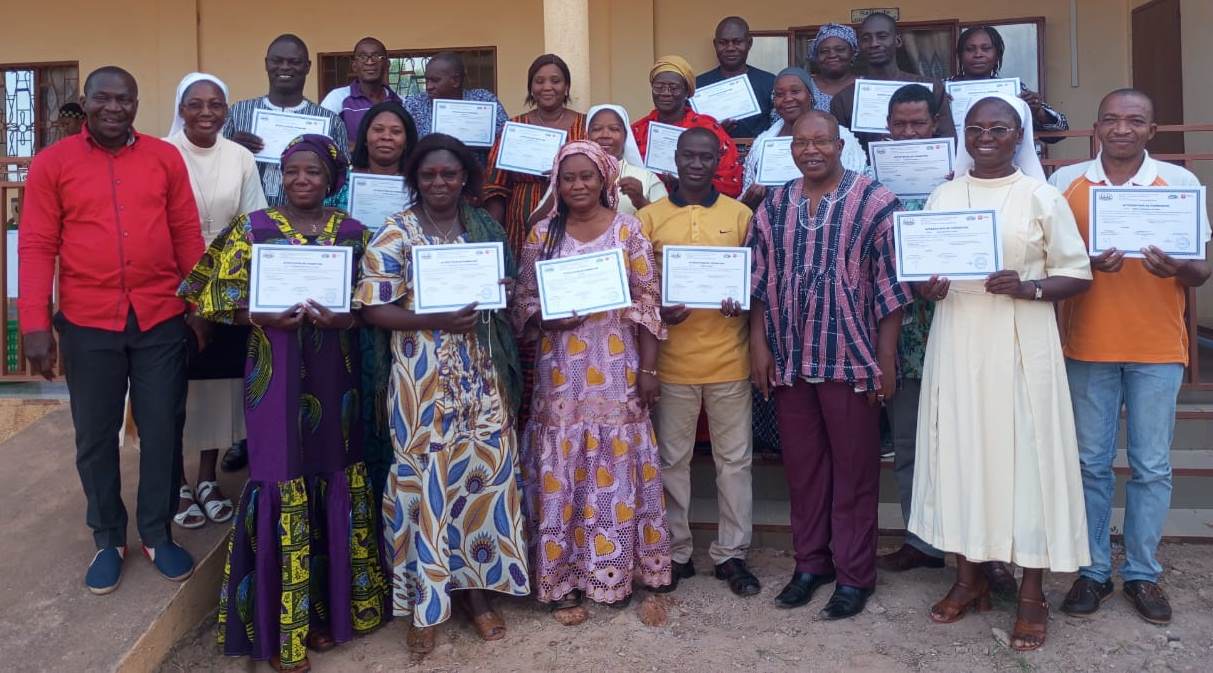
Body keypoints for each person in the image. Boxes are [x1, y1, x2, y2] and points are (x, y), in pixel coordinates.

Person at [181, 134, 387, 671]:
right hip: (274, 372)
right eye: (292, 171)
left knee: (331, 470)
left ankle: (326, 614)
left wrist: (348, 317)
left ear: (332, 180)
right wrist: (261, 315)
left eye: (313, 172)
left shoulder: (355, 233)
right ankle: (280, 625)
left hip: (335, 375)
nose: (301, 180)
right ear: (281, 177)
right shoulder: (254, 228)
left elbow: (372, 302)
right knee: (280, 475)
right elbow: (211, 295)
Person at [908, 94, 1093, 651]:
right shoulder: (944, 194)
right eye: (975, 127)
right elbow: (921, 270)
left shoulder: (1040, 195)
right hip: (960, 336)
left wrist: (1029, 286)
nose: (985, 136)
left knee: (1026, 461)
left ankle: (1032, 594)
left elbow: (1077, 275)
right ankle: (968, 579)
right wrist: (928, 285)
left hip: (1020, 342)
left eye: (999, 127)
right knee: (961, 452)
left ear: (1020, 135)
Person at [19, 66, 204, 594]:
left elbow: (186, 231)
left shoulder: (164, 158)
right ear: (86, 101)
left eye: (125, 99)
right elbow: (35, 245)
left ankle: (155, 532)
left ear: (137, 103)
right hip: (86, 320)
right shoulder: (53, 163)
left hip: (160, 315)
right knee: (96, 435)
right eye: (103, 98)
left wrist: (198, 305)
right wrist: (34, 322)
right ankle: (107, 536)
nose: (114, 108)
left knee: (163, 429)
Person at [355, 133, 530, 658]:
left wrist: (497, 285)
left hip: (481, 376)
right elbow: (371, 309)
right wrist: (434, 319)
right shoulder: (395, 232)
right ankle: (424, 605)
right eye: (429, 175)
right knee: (425, 485)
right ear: (415, 178)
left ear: (465, 179)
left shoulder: (484, 229)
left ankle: (476, 596)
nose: (439, 183)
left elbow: (506, 294)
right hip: (420, 381)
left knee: (481, 482)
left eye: (449, 174)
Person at [1052, 89, 1211, 626]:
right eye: (1112, 120)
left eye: (1134, 121)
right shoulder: (1065, 183)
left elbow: (1200, 269)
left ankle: (1142, 572)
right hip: (1088, 344)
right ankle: (1094, 570)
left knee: (1151, 467)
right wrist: (1086, 264)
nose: (1122, 129)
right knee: (1090, 465)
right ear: (1096, 127)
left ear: (1152, 129)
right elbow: (1053, 261)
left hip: (1157, 347)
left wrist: (1177, 270)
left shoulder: (1181, 183)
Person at [748, 111, 910, 620]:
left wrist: (885, 358)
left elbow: (892, 285)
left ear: (841, 145)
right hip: (791, 360)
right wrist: (759, 346)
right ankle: (810, 564)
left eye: (821, 140)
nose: (811, 149)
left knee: (855, 471)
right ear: (789, 149)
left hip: (852, 359)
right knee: (804, 471)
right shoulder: (773, 206)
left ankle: (854, 574)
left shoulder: (875, 202)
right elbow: (756, 282)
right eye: (801, 142)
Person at [512, 140, 671, 625]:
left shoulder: (628, 230)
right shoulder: (543, 234)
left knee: (613, 472)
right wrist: (544, 319)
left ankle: (613, 571)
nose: (578, 185)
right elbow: (522, 301)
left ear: (605, 179)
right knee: (564, 469)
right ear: (556, 185)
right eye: (568, 178)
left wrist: (648, 371)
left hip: (617, 369)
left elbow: (647, 304)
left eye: (587, 176)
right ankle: (563, 578)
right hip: (562, 376)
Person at [638, 127, 759, 597]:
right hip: (671, 362)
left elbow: (756, 281)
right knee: (672, 462)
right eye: (688, 155)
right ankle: (675, 552)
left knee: (735, 462)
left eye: (706, 157)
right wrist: (657, 308)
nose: (696, 164)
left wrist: (742, 300)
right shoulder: (648, 219)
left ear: (719, 161)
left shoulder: (741, 215)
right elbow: (637, 288)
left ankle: (732, 554)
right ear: (676, 158)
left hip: (730, 359)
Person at [165, 72, 267, 531]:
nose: (206, 112)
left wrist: (229, 291)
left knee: (215, 386)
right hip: (167, 284)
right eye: (195, 103)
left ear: (227, 111)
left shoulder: (241, 156)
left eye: (216, 104)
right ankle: (175, 482)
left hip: (225, 286)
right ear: (180, 108)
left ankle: (207, 478)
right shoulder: (161, 154)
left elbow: (252, 222)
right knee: (167, 391)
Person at [327, 99, 419, 518]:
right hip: (354, 312)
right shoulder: (345, 185)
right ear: (364, 136)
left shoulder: (421, 184)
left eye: (395, 131)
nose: (386, 137)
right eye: (378, 130)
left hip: (409, 310)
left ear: (407, 139)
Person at [223, 34, 349, 209]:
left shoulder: (329, 121)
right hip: (246, 218)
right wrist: (232, 148)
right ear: (267, 63)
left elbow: (342, 181)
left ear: (307, 67)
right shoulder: (238, 113)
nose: (284, 67)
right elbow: (216, 165)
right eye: (277, 61)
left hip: (307, 223)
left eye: (294, 62)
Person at [484, 53, 586, 257]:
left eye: (555, 81)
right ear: (531, 88)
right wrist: (495, 235)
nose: (547, 87)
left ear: (566, 87)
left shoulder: (585, 126)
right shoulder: (513, 128)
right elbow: (496, 186)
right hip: (520, 226)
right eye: (539, 81)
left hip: (573, 219)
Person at [740, 67, 866, 207]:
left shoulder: (840, 135)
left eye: (795, 91)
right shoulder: (762, 142)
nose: (787, 99)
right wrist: (751, 199)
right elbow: (747, 194)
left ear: (810, 95)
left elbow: (857, 186)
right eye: (780, 94)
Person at [829, 12, 954, 147]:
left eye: (882, 36)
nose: (874, 43)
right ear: (860, 46)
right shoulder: (843, 100)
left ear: (898, 41)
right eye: (866, 38)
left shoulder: (931, 87)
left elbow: (948, 141)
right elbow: (842, 150)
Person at [632, 56, 743, 197]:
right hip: (645, 209)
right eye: (659, 87)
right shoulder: (637, 131)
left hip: (702, 211)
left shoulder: (708, 128)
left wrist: (685, 185)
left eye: (674, 88)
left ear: (687, 92)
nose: (666, 93)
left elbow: (730, 180)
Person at [952, 26, 1068, 138]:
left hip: (1005, 157)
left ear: (997, 55)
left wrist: (1038, 112)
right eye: (970, 49)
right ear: (960, 56)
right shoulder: (942, 89)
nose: (978, 54)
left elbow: (1062, 128)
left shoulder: (1015, 89)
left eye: (986, 48)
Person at [403, 51, 508, 167]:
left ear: (456, 81)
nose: (429, 87)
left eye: (435, 80)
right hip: (430, 179)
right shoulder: (415, 105)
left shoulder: (483, 100)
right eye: (427, 80)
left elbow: (504, 140)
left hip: (477, 180)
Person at [695, 16, 776, 139]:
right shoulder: (698, 85)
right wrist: (716, 131)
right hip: (712, 156)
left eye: (737, 42)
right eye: (723, 43)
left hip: (758, 156)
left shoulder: (770, 82)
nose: (730, 48)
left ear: (749, 43)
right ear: (715, 45)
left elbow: (779, 126)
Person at [320, 37, 403, 144]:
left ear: (387, 64)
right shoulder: (337, 98)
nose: (369, 62)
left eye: (377, 56)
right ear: (354, 66)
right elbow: (322, 139)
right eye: (362, 57)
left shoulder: (400, 102)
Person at [806, 23, 858, 113]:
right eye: (824, 51)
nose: (832, 55)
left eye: (840, 49)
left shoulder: (865, 86)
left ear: (852, 54)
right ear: (816, 57)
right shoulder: (806, 86)